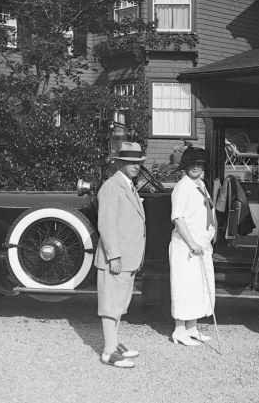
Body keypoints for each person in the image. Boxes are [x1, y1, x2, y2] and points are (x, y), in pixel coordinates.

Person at [94, 141, 147, 368]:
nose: (135, 166)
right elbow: (106, 225)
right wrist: (114, 256)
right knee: (111, 305)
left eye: (138, 163)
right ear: (120, 163)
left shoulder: (128, 185)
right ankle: (109, 352)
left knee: (120, 304)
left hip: (128, 257)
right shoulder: (111, 186)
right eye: (130, 162)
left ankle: (114, 343)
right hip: (115, 259)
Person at [169, 146, 216, 346]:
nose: (196, 167)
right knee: (185, 287)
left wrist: (208, 237)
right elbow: (178, 218)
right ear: (186, 166)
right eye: (192, 164)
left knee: (199, 287)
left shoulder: (201, 185)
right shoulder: (182, 186)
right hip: (186, 248)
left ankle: (192, 328)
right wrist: (192, 243)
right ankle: (179, 330)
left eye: (199, 164)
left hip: (202, 246)